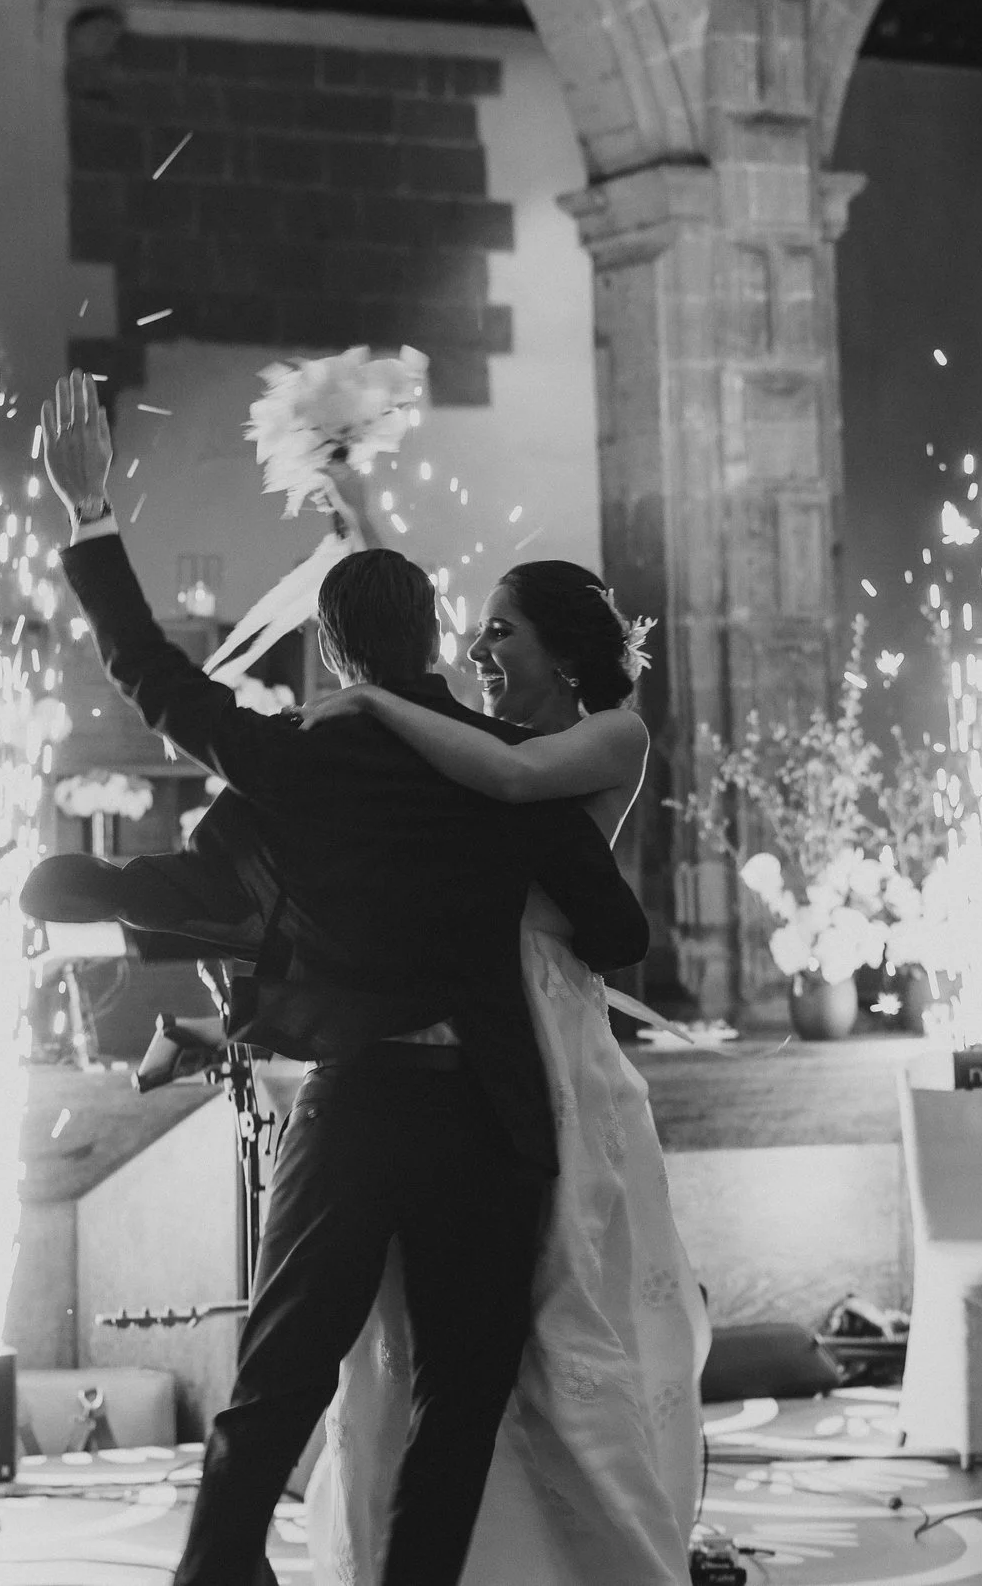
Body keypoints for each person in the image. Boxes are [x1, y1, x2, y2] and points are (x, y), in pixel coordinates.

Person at [37, 369, 654, 1586]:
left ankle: (217, 1571)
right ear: (434, 641)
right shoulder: (502, 764)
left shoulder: (300, 762)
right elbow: (618, 933)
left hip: (360, 1103)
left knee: (279, 1376)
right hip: (487, 1109)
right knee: (462, 1389)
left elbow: (152, 675)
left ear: (329, 648)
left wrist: (89, 510)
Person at [291, 558, 707, 1585]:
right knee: (428, 1321)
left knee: (555, 1301)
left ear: (564, 652)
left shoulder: (613, 734)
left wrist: (374, 697)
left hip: (546, 1028)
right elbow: (473, 748)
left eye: (501, 631)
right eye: (473, 630)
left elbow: (513, 777)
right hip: (465, 1018)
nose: (479, 650)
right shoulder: (473, 739)